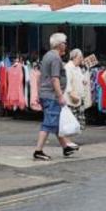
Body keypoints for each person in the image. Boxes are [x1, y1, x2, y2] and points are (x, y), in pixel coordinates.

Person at [33, 33, 80, 161]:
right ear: (59, 45)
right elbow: (55, 79)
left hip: (46, 94)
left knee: (56, 122)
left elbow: (42, 77)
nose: (66, 45)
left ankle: (65, 147)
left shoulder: (47, 56)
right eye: (64, 43)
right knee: (49, 123)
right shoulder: (55, 58)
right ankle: (38, 150)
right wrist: (60, 95)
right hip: (51, 95)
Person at [64, 48, 92, 113]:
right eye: (80, 57)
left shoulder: (78, 68)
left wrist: (84, 81)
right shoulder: (68, 68)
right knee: (72, 122)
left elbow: (82, 79)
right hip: (72, 100)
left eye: (82, 57)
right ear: (74, 57)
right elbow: (68, 83)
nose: (82, 59)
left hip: (79, 99)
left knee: (80, 122)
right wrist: (72, 95)